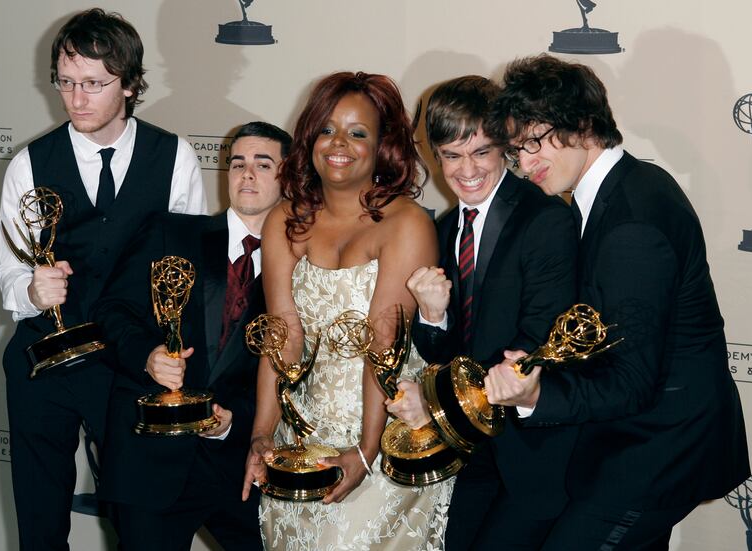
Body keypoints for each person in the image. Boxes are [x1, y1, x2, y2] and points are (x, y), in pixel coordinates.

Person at [485, 54, 750, 549]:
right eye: (517, 150)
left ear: (583, 123)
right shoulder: (623, 187)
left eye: (535, 141)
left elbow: (631, 382)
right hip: (640, 438)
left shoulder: (630, 221)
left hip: (661, 445)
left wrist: (535, 397)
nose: (525, 162)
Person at [0, 8, 206, 549]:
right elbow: (11, 271)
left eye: (93, 84)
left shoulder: (174, 156)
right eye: (66, 83)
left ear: (131, 85)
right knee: (40, 527)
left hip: (131, 367)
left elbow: (184, 275)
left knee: (140, 527)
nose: (76, 99)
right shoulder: (29, 164)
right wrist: (31, 290)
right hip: (46, 365)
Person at [242, 72, 454, 550]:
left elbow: (385, 349)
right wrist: (261, 434)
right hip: (302, 430)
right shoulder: (285, 218)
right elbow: (282, 335)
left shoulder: (406, 224)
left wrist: (366, 449)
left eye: (358, 132)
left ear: (383, 145)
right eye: (327, 129)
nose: (339, 144)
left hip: (386, 428)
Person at [385, 76, 579, 550]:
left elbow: (536, 347)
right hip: (467, 453)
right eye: (451, 155)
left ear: (506, 149)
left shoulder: (545, 218)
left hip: (530, 456)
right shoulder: (445, 226)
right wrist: (433, 318)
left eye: (481, 152)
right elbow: (444, 352)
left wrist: (437, 400)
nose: (466, 169)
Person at [92, 122, 291, 550]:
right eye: (237, 163)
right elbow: (110, 312)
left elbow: (292, 369)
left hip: (238, 467)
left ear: (288, 177)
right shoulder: (171, 232)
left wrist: (235, 421)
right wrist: (147, 356)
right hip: (149, 465)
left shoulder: (300, 267)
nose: (247, 174)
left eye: (262, 164)